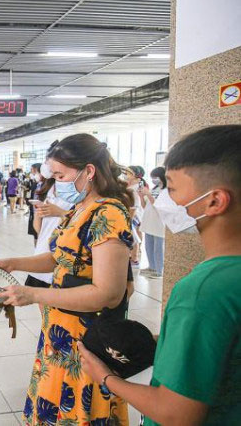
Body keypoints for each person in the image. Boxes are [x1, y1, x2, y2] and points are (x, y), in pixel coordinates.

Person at [79, 125, 241, 425]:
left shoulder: (203, 291)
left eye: (173, 189)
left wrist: (105, 377)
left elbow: (175, 413)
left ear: (215, 201)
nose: (164, 199)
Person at [0, 133, 135, 425]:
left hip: (88, 339)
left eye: (60, 175)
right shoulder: (79, 210)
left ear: (88, 171)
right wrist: (14, 263)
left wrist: (34, 295)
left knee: (81, 410)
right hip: (60, 334)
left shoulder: (109, 215)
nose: (56, 183)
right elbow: (60, 257)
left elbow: (108, 294)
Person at [26, 162, 70, 290]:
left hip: (63, 256)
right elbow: (39, 227)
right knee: (42, 298)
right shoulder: (48, 189)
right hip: (43, 251)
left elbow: (82, 222)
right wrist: (39, 214)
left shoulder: (77, 193)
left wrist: (61, 213)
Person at [139, 167, 166, 278]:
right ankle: (152, 267)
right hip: (149, 222)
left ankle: (158, 270)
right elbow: (145, 205)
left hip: (159, 224)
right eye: (152, 178)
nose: (153, 179)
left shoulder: (166, 191)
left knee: (158, 248)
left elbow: (158, 205)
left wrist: (148, 194)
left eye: (155, 177)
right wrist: (142, 196)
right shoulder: (155, 189)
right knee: (149, 247)